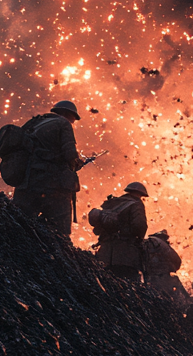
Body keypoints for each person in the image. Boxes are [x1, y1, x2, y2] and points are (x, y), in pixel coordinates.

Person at [10, 100, 86, 237]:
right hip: (52, 185)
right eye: (73, 119)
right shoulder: (63, 124)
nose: (73, 122)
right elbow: (69, 154)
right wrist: (77, 163)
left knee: (18, 223)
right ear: (67, 114)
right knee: (60, 231)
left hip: (26, 182)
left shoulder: (34, 122)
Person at [90, 182, 149, 281]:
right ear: (140, 194)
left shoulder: (113, 203)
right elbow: (139, 226)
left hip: (105, 253)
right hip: (125, 256)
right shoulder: (136, 204)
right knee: (128, 284)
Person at [142, 228, 187, 303]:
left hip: (150, 280)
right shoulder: (162, 244)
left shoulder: (146, 245)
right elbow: (177, 261)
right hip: (163, 278)